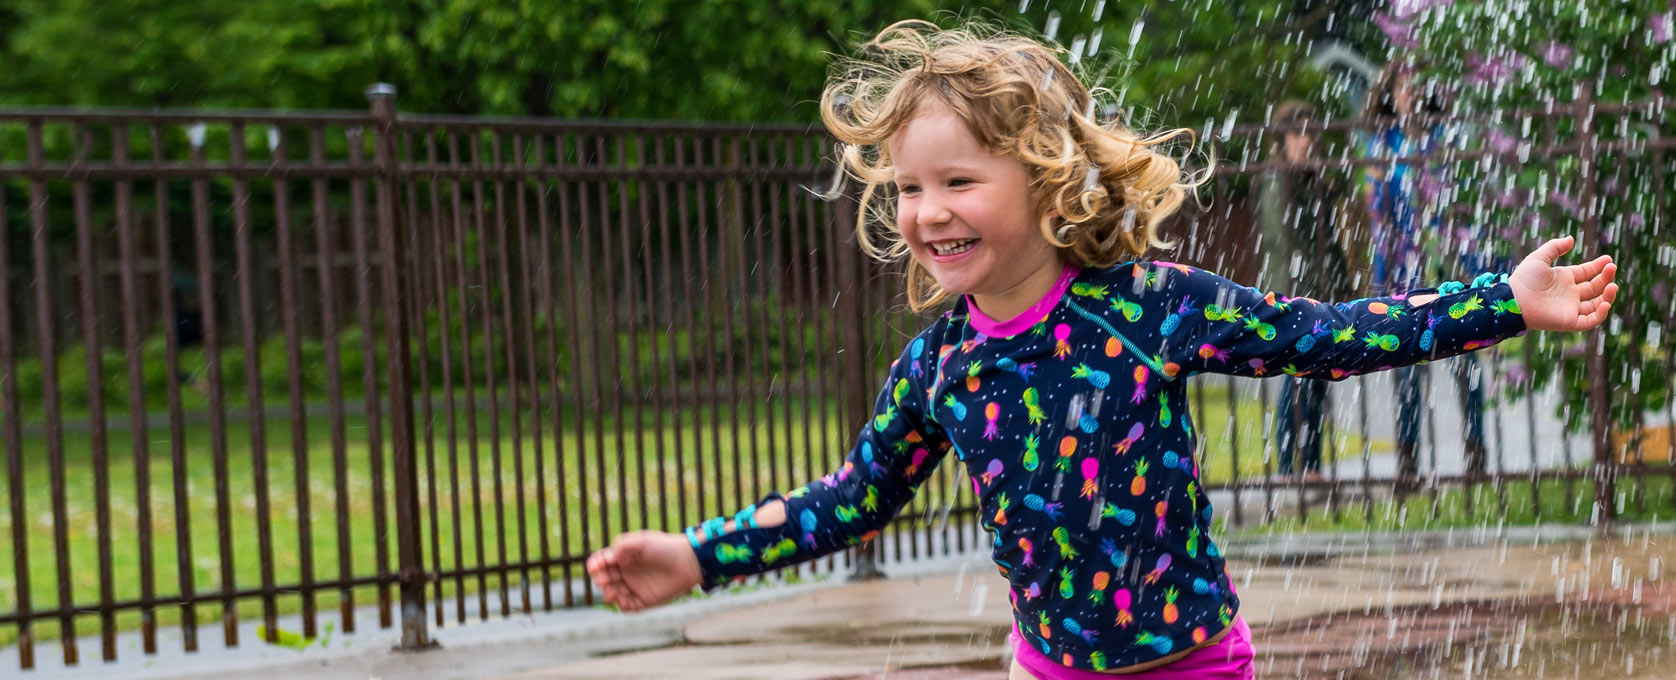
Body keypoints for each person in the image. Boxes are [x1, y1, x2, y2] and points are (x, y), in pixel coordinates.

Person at [583, 21, 1620, 680]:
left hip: (1192, 666)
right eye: (906, 187)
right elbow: (852, 497)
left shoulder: (1147, 309)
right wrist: (697, 552)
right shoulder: (942, 367)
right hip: (1049, 669)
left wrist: (1501, 302)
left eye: (956, 181)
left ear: (1042, 178)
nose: (924, 211)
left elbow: (1323, 337)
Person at [1361, 63, 1492, 480]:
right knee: (1405, 368)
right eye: (1403, 86)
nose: (1411, 94)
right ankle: (1408, 462)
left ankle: (1476, 455)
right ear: (1390, 93)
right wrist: (1381, 281)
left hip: (1450, 268)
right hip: (1405, 274)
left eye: (1418, 86)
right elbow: (1377, 219)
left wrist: (1476, 269)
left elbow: (1465, 209)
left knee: (1467, 361)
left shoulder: (1445, 142)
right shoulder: (1381, 147)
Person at [1255, 101, 1367, 482]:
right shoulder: (1276, 181)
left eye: (1310, 134)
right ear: (1283, 139)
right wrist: (1298, 293)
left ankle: (1313, 465)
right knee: (1294, 381)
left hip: (1320, 293)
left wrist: (1337, 287)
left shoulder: (1313, 182)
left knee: (1317, 377)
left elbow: (1330, 243)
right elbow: (1281, 242)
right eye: (1297, 134)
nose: (1306, 142)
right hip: (1291, 295)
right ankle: (1289, 466)